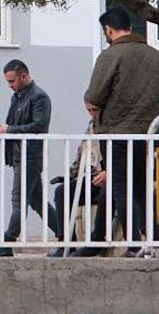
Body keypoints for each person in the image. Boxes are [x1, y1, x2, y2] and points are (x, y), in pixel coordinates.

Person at [77, 8, 159, 257]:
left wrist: (93, 107)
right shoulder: (155, 56)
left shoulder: (110, 56)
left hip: (117, 134)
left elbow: (95, 96)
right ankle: (156, 239)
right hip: (149, 134)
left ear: (109, 28)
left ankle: (133, 244)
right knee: (143, 188)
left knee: (121, 187)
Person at [0, 60, 56, 257]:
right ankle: (68, 236)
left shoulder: (39, 97)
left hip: (30, 156)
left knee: (18, 200)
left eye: (12, 81)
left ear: (24, 76)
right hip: (20, 155)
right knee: (38, 202)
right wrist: (3, 129)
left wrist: (9, 130)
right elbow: (14, 124)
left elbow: (39, 126)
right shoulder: (18, 96)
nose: (10, 85)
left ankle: (8, 242)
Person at [46, 108, 103, 257]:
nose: (91, 113)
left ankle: (97, 241)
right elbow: (82, 153)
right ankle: (66, 242)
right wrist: (71, 175)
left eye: (94, 110)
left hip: (111, 178)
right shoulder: (91, 127)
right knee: (62, 191)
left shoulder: (113, 125)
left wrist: (107, 172)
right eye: (88, 109)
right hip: (92, 177)